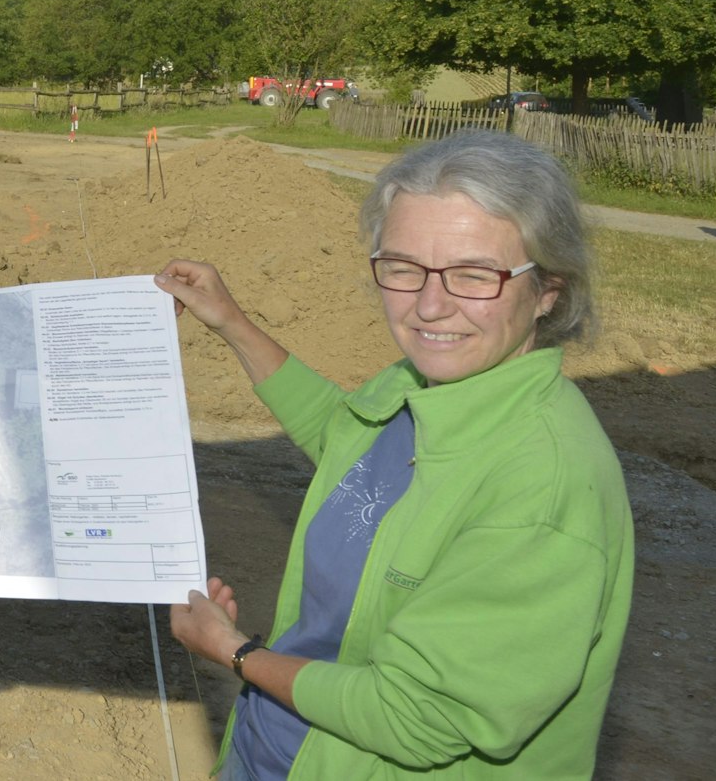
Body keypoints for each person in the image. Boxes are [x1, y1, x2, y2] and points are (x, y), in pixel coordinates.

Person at [156, 129, 632, 779]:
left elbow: (415, 716)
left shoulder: (543, 484)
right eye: (404, 267)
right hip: (280, 752)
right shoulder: (431, 384)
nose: (430, 305)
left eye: (473, 273)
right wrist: (230, 319)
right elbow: (345, 438)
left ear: (548, 287)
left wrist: (236, 653)